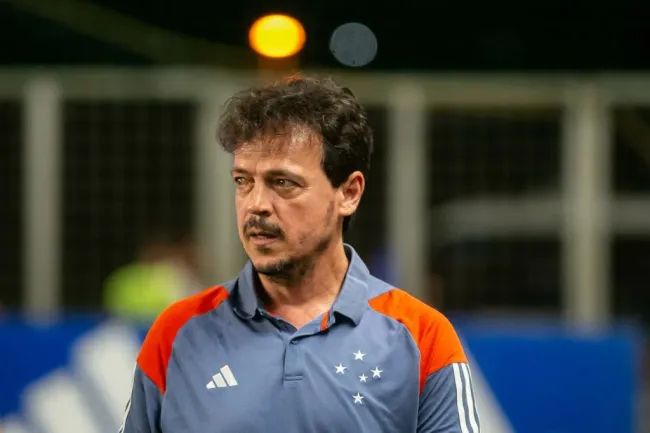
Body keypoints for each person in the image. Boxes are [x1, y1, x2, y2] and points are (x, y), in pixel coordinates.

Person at [119, 75, 480, 433]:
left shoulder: (421, 338)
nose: (256, 205)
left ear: (349, 193)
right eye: (243, 181)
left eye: (283, 183)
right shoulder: (177, 333)